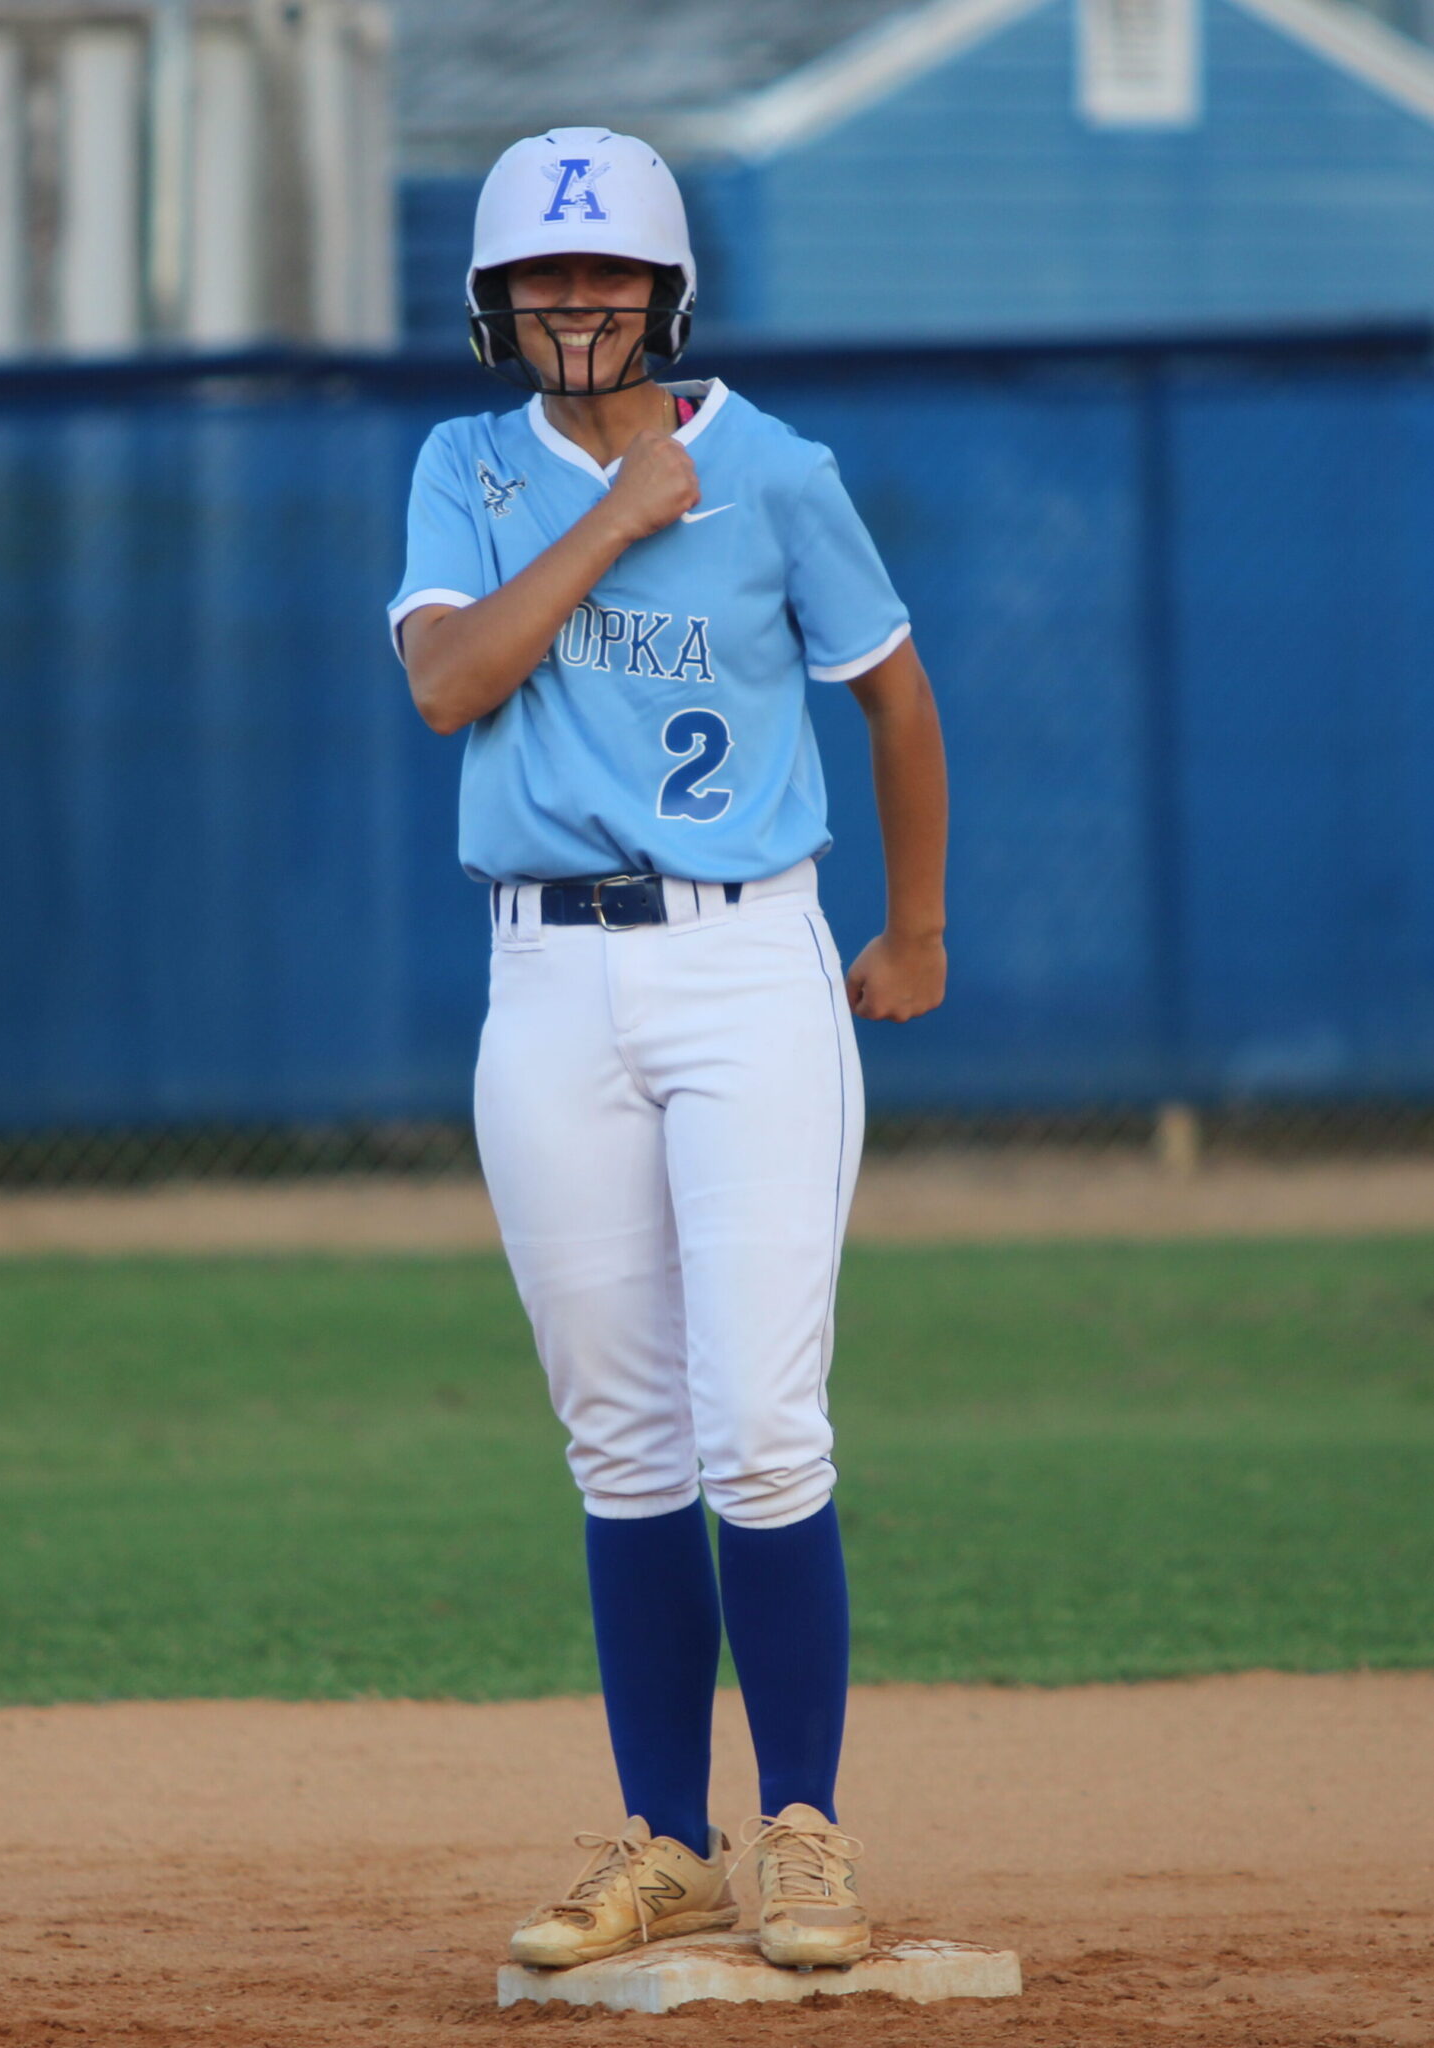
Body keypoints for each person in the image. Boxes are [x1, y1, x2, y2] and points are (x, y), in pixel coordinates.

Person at [389, 127, 948, 1972]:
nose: (575, 305)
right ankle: (661, 1839)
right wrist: (616, 518)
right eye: (542, 281)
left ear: (664, 295)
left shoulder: (774, 469)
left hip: (740, 965)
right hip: (545, 980)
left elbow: (891, 691)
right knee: (619, 1435)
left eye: (608, 278)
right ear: (494, 302)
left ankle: (800, 1830)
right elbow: (452, 684)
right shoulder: (466, 467)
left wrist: (915, 926)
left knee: (761, 1424)